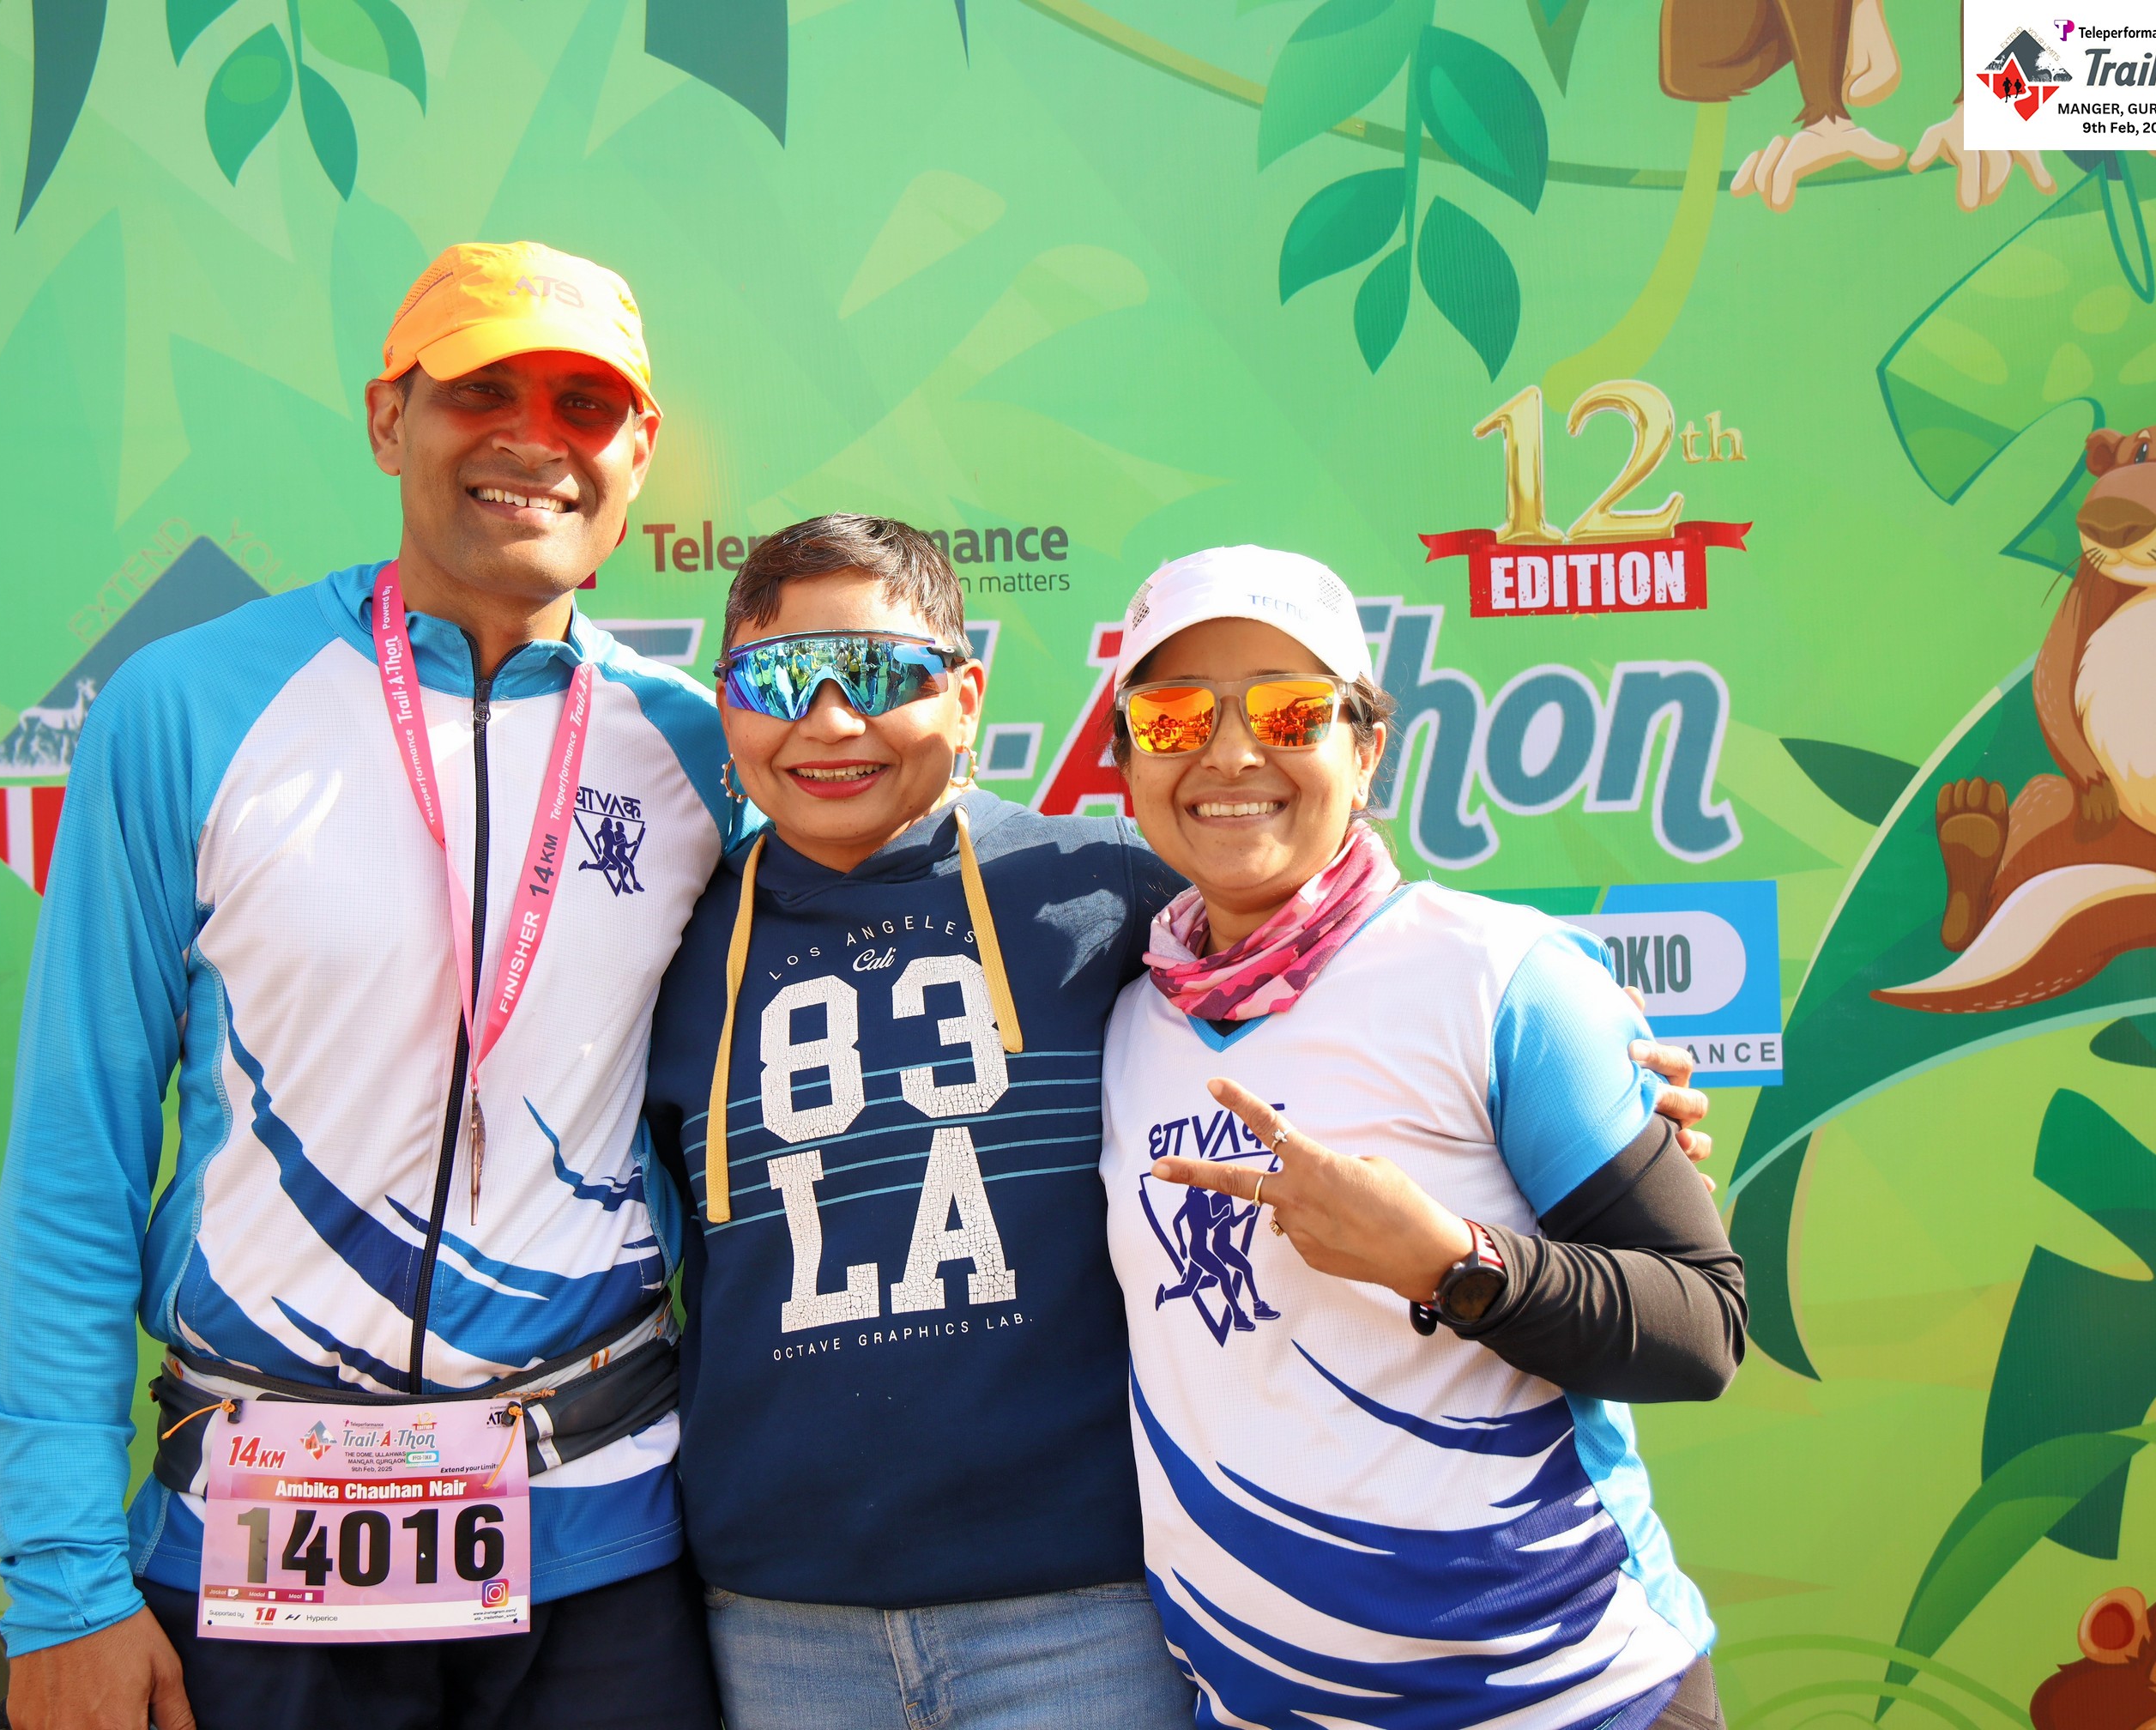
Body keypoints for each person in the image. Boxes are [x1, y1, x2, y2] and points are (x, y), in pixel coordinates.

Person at [638, 517, 1722, 1729]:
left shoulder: (1110, 892)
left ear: (967, 696)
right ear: (726, 703)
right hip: (782, 1621)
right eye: (781, 679)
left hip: (1090, 1618)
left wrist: (1596, 1065)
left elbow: (1327, 920)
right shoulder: (660, 942)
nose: (833, 720)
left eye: (883, 674)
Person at [0, 242, 742, 1730]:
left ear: (639, 452)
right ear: (391, 419)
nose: (534, 438)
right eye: (482, 391)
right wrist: (64, 1585)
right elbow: (77, 1161)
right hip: (256, 1544)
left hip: (603, 1546)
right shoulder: (186, 705)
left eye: (584, 404)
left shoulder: (703, 750)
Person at [1099, 546, 1745, 1730]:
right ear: (1130, 758)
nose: (1229, 754)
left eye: (1289, 712)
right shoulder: (1120, 1016)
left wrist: (1449, 1264)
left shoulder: (1499, 975)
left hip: (1573, 1698)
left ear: (1367, 748)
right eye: (1176, 715)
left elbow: (1702, 1329)